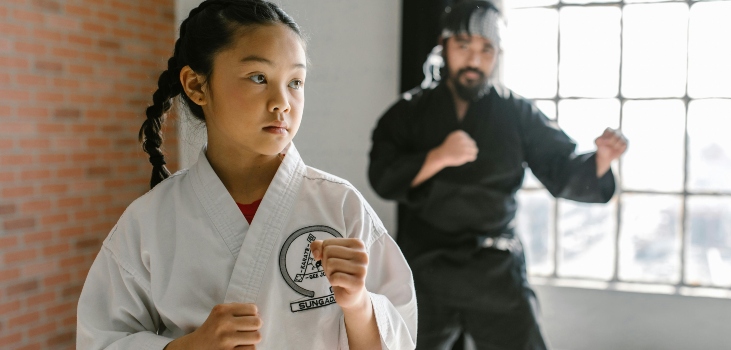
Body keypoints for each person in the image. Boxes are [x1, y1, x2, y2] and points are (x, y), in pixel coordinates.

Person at [76, 1, 417, 349]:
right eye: (258, 77)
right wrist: (189, 346)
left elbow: (401, 334)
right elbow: (100, 339)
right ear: (196, 85)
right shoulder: (148, 222)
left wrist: (358, 305)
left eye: (295, 82)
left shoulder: (341, 206)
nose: (282, 102)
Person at [368, 1, 628, 349]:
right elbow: (382, 177)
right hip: (425, 268)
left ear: (497, 54)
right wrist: (437, 157)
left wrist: (602, 159)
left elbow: (561, 166)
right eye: (464, 46)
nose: (474, 60)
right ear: (444, 46)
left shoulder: (516, 113)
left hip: (494, 267)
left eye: (485, 49)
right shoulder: (409, 112)